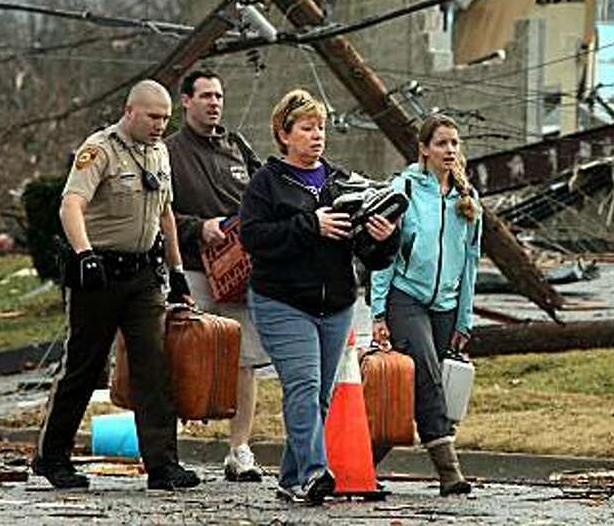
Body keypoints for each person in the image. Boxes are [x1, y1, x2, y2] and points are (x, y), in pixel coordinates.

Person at [32, 80, 200, 491]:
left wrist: (177, 271)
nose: (161, 125)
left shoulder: (159, 153)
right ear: (130, 111)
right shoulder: (100, 149)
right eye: (153, 117)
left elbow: (165, 215)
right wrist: (84, 253)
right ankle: (53, 457)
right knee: (83, 368)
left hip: (143, 276)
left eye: (165, 118)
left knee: (153, 367)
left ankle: (162, 465)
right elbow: (71, 203)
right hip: (99, 274)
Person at [239, 88, 399, 506]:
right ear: (284, 133)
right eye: (307, 128)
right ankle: (313, 473)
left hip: (337, 303)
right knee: (304, 387)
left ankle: (292, 478)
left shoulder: (341, 180)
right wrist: (310, 225)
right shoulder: (266, 183)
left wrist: (385, 239)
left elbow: (369, 254)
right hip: (282, 301)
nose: (317, 136)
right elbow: (253, 238)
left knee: (320, 396)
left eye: (321, 128)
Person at [165, 68, 268, 482]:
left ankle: (239, 450)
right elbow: (158, 211)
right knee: (181, 357)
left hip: (239, 270)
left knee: (245, 360)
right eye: (205, 95)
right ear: (185, 101)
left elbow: (266, 193)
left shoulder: (237, 146)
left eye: (219, 96)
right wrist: (197, 227)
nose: (214, 103)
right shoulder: (168, 151)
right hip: (191, 268)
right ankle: (166, 450)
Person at [370, 113, 479, 497]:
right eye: (441, 144)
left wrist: (465, 318)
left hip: (447, 305)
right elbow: (384, 254)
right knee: (428, 378)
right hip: (406, 298)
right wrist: (378, 311)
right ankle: (450, 472)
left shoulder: (467, 197)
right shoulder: (405, 189)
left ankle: (361, 462)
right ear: (424, 149)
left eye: (454, 143)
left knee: (427, 387)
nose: (449, 150)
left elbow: (471, 263)